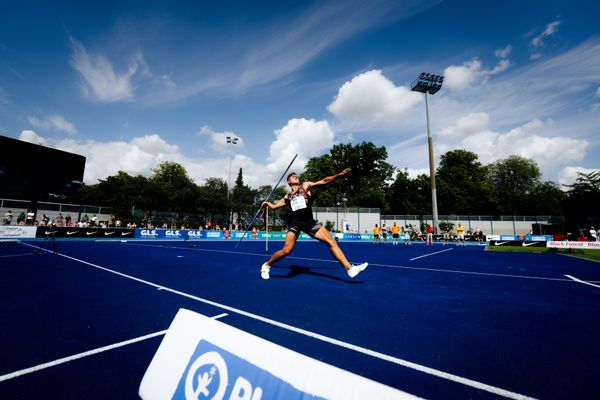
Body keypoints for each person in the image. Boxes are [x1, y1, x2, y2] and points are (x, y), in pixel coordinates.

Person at [259, 168, 367, 280]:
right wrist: (266, 203)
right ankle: (266, 265)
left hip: (309, 223)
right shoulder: (288, 197)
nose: (296, 176)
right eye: (292, 176)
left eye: (296, 175)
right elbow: (275, 207)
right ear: (289, 182)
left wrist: (338, 175)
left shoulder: (305, 186)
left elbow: (323, 181)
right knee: (286, 251)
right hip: (295, 224)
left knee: (331, 241)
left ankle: (350, 269)